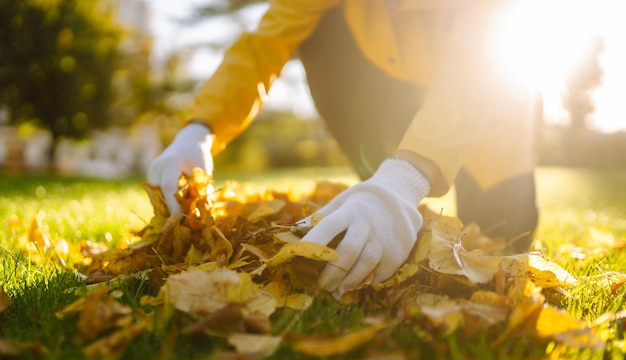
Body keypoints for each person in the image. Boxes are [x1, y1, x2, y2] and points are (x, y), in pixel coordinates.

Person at [148, 0, 538, 299]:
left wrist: (406, 178)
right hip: (390, 100)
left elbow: (481, 64)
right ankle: (380, 203)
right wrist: (200, 130)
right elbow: (264, 44)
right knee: (320, 30)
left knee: (503, 238)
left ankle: (393, 193)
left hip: (490, 105)